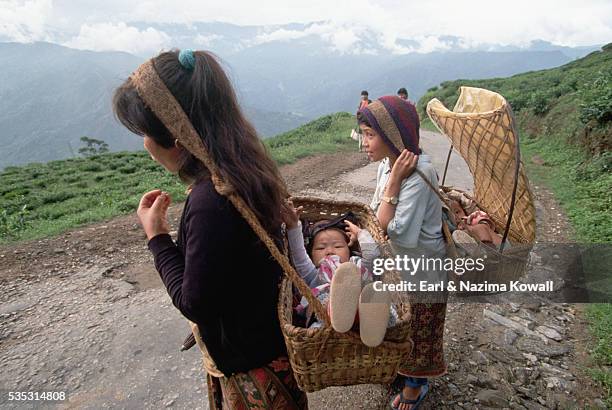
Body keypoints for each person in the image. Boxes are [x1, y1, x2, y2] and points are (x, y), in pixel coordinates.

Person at [112, 49, 307, 409]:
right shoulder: (245, 165)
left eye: (143, 132)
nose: (143, 144)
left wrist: (157, 238)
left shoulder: (210, 200)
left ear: (175, 139)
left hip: (252, 367)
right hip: (270, 344)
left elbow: (195, 303)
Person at [358, 96, 447, 410]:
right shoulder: (387, 164)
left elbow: (400, 235)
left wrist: (394, 185)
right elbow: (373, 213)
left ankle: (414, 387)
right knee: (397, 322)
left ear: (394, 136)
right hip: (398, 266)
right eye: (363, 134)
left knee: (418, 328)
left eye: (370, 135)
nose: (364, 143)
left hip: (421, 270)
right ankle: (398, 370)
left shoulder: (418, 174)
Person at [281, 204, 397, 346]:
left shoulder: (358, 264)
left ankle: (372, 323)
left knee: (375, 294)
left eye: (338, 246)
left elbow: (373, 255)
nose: (329, 250)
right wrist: (294, 227)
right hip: (328, 319)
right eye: (321, 248)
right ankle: (342, 311)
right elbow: (299, 255)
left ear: (349, 250)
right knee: (314, 330)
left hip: (363, 308)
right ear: (311, 255)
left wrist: (360, 233)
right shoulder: (314, 274)